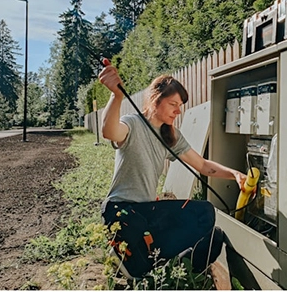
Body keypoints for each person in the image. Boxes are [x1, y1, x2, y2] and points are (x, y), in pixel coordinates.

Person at [98, 58, 247, 279]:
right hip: (120, 210)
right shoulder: (133, 124)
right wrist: (116, 96)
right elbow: (109, 131)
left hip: (147, 212)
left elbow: (203, 165)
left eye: (180, 106)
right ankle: (134, 262)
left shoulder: (171, 137)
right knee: (140, 257)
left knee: (208, 224)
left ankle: (155, 264)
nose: (178, 111)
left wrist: (234, 173)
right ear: (156, 100)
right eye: (173, 104)